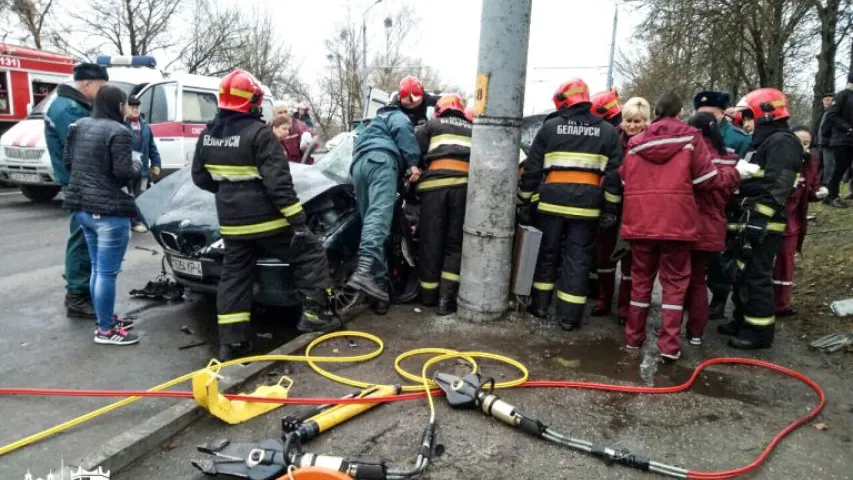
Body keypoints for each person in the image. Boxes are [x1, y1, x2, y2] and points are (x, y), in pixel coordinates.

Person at [191, 69, 340, 361]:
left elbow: (199, 177)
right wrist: (298, 223)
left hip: (233, 226)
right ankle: (314, 315)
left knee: (234, 278)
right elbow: (279, 184)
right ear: (252, 102)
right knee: (309, 252)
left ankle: (232, 345)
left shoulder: (208, 135)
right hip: (268, 222)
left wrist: (228, 194)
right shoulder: (259, 134)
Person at [620, 93, 729, 360]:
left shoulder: (635, 143)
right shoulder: (692, 138)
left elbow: (624, 181)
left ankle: (633, 339)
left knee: (641, 283)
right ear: (680, 111)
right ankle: (668, 346)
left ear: (654, 112)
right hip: (677, 224)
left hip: (641, 222)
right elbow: (706, 180)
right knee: (675, 286)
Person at [519, 78, 623, 332]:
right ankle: (569, 317)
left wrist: (524, 199)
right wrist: (610, 209)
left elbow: (532, 169)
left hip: (551, 203)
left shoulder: (550, 128)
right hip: (587, 207)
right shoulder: (608, 131)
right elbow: (613, 177)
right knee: (578, 259)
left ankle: (541, 306)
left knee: (548, 254)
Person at [718, 88, 803, 350]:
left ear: (765, 114)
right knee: (741, 274)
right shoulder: (764, 143)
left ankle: (759, 332)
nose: (745, 123)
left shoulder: (782, 142)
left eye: (748, 116)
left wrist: (759, 220)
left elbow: (779, 186)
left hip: (764, 221)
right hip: (749, 216)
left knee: (756, 275)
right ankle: (742, 320)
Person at [63, 86, 141, 345]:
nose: (128, 110)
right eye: (125, 105)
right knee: (107, 273)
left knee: (98, 268)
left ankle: (104, 318)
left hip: (82, 208)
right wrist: (137, 165)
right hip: (108, 212)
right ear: (118, 106)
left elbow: (68, 163)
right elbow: (122, 173)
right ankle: (106, 331)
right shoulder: (119, 131)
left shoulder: (78, 125)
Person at [46, 62, 109, 319]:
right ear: (87, 84)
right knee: (83, 237)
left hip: (80, 179)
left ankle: (79, 289)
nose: (103, 93)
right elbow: (87, 145)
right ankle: (77, 295)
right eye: (102, 88)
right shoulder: (69, 109)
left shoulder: (73, 105)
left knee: (84, 235)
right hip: (80, 181)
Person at [346, 103, 422, 312]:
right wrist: (413, 163)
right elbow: (404, 133)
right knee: (379, 220)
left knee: (372, 226)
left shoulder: (367, 126)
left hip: (359, 167)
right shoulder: (395, 115)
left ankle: (379, 290)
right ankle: (363, 271)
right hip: (381, 163)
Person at [683, 112, 742, 346]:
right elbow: (734, 196)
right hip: (714, 224)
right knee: (699, 280)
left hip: (684, 223)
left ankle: (670, 330)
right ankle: (696, 333)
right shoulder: (729, 158)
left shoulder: (689, 154)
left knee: (678, 279)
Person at [694, 91, 753, 321]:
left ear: (723, 114)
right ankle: (696, 302)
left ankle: (719, 298)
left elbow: (748, 170)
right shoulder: (692, 135)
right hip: (698, 206)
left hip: (728, 205)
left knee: (721, 259)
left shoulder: (738, 139)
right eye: (703, 113)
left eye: (713, 114)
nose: (709, 118)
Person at [414, 93, 472, 315]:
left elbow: (414, 154)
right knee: (454, 244)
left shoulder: (431, 125)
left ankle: (428, 297)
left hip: (434, 190)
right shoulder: (474, 129)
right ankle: (446, 300)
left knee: (430, 241)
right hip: (463, 189)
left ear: (440, 109)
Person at [773, 127, 829, 316]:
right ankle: (764, 300)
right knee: (769, 262)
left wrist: (818, 192)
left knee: (786, 262)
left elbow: (812, 187)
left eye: (806, 143)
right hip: (774, 219)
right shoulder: (779, 160)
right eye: (799, 142)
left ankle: (782, 303)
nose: (802, 147)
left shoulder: (811, 162)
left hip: (793, 223)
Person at [588, 89, 631, 325]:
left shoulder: (642, 139)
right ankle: (605, 300)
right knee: (604, 256)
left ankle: (624, 307)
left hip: (632, 206)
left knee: (628, 259)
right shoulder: (607, 135)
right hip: (608, 202)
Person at [126, 95, 162, 233]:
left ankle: (141, 220)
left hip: (143, 170)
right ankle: (133, 223)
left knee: (142, 195)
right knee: (129, 196)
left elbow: (152, 147)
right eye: (132, 107)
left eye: (137, 107)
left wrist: (156, 163)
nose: (135, 110)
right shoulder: (122, 125)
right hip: (127, 169)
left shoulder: (145, 126)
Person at [823, 69, 853, 208]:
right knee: (839, 168)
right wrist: (847, 128)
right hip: (842, 140)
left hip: (850, 140)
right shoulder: (842, 95)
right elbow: (831, 116)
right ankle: (831, 196)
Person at [815, 93, 835, 186]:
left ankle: (828, 185)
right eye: (825, 100)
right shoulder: (823, 113)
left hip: (829, 144)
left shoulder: (835, 113)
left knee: (829, 165)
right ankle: (818, 184)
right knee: (819, 165)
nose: (827, 101)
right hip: (819, 144)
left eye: (829, 99)